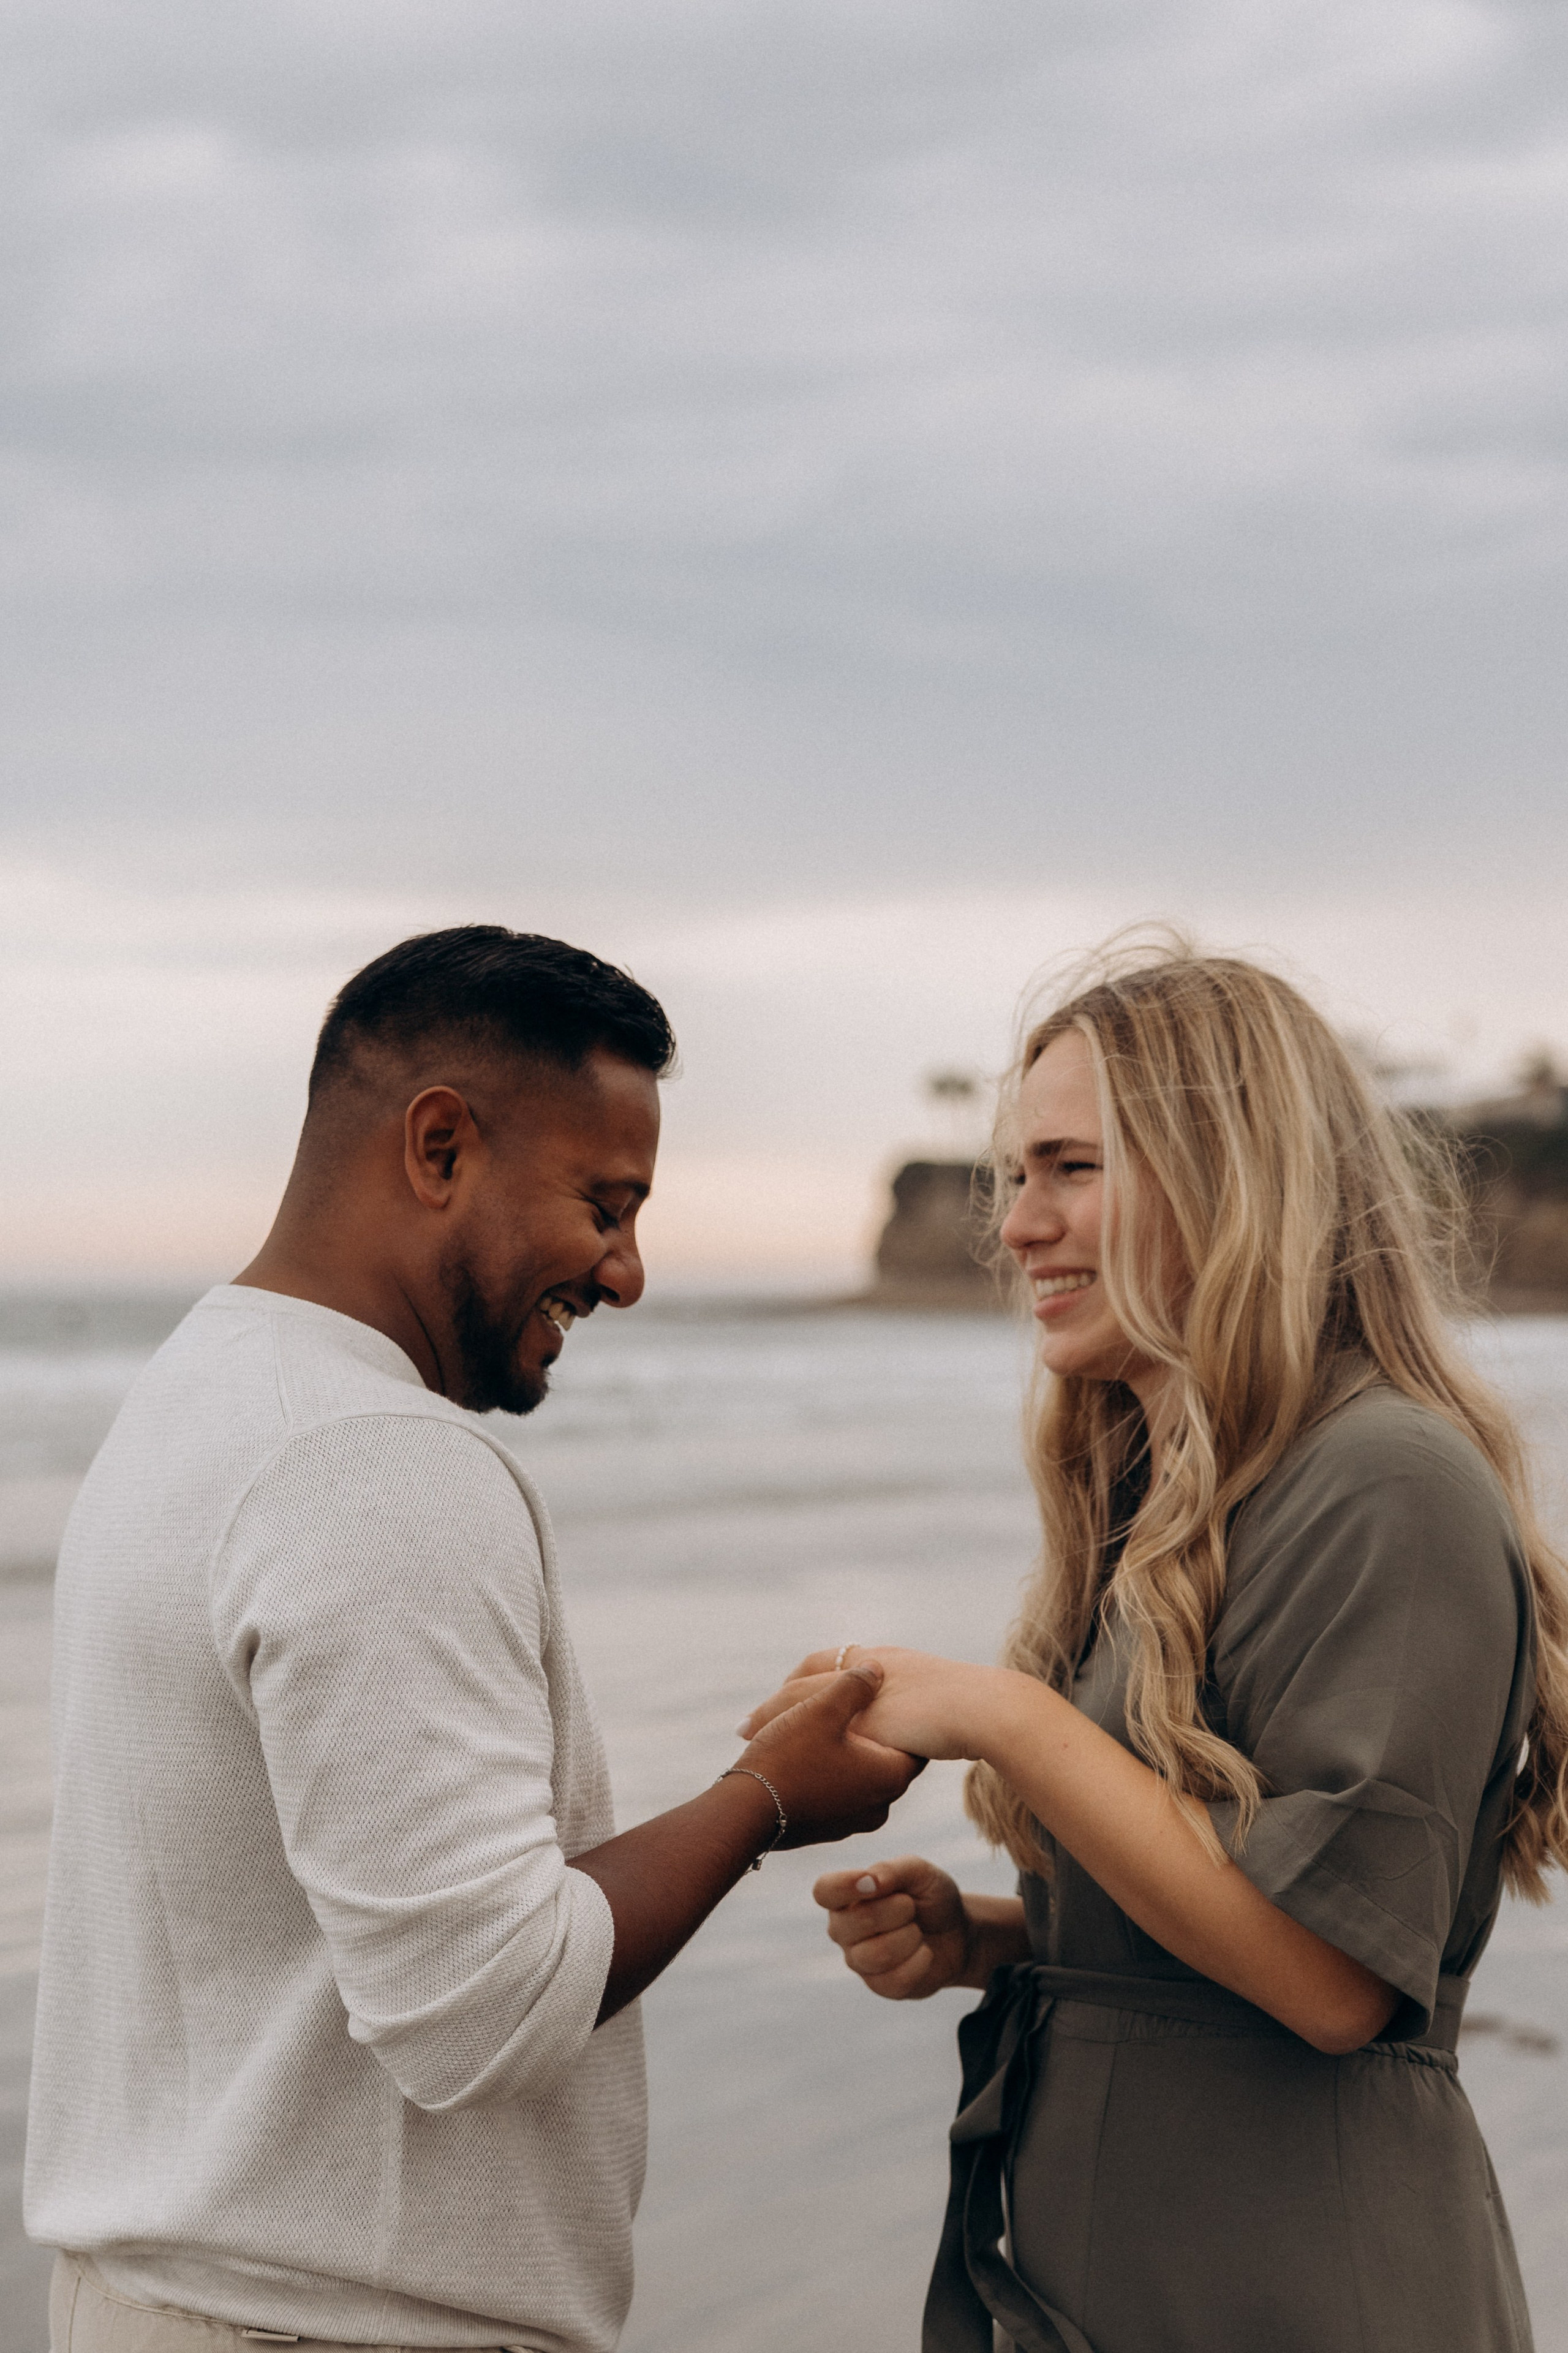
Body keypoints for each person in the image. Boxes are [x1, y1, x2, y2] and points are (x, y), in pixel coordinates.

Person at [27, 925, 918, 2353]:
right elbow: (483, 2006)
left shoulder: (200, 1389)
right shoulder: (372, 1459)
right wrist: (766, 1800)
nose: (625, 1272)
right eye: (604, 1203)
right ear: (438, 1147)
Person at [744, 942, 1566, 2353]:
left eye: (1068, 1168)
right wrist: (1000, 1942)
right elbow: (1220, 1930)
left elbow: (1330, 1980)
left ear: (1227, 1176)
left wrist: (1006, 1718)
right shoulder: (1163, 1506)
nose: (1013, 1226)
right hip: (1120, 2284)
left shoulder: (1384, 1481)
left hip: (1304, 2291)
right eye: (1012, 1175)